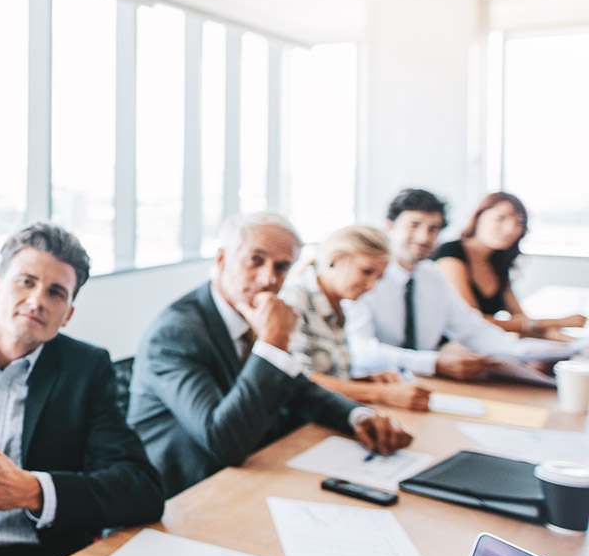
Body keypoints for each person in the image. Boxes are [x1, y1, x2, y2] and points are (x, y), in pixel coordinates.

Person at [0, 223, 163, 556]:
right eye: (26, 281)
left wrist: (31, 490)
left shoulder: (86, 370)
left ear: (68, 314)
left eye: (55, 292)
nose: (37, 300)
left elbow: (143, 489)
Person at [128, 212, 412, 498]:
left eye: (282, 266)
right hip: (183, 493)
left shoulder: (251, 313)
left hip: (247, 477)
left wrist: (356, 416)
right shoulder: (176, 333)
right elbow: (223, 441)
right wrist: (273, 341)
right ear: (221, 259)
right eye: (255, 260)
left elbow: (299, 389)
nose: (269, 279)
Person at [346, 189, 551, 379]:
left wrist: (531, 352)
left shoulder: (433, 277)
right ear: (389, 226)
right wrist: (434, 363)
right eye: (414, 225)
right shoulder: (364, 278)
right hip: (375, 384)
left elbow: (474, 329)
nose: (424, 237)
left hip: (426, 384)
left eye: (433, 228)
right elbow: (361, 351)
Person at [282, 224, 431, 410]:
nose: (371, 286)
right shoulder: (295, 301)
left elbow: (329, 375)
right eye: (367, 271)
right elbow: (300, 381)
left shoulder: (338, 305)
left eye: (379, 278)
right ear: (335, 259)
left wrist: (366, 382)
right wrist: (383, 393)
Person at [433, 192, 586, 341]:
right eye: (500, 218)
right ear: (479, 217)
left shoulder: (496, 260)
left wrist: (575, 343)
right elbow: (474, 323)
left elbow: (522, 322)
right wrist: (557, 321)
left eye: (519, 222)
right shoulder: (451, 254)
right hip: (447, 347)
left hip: (480, 346)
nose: (510, 229)